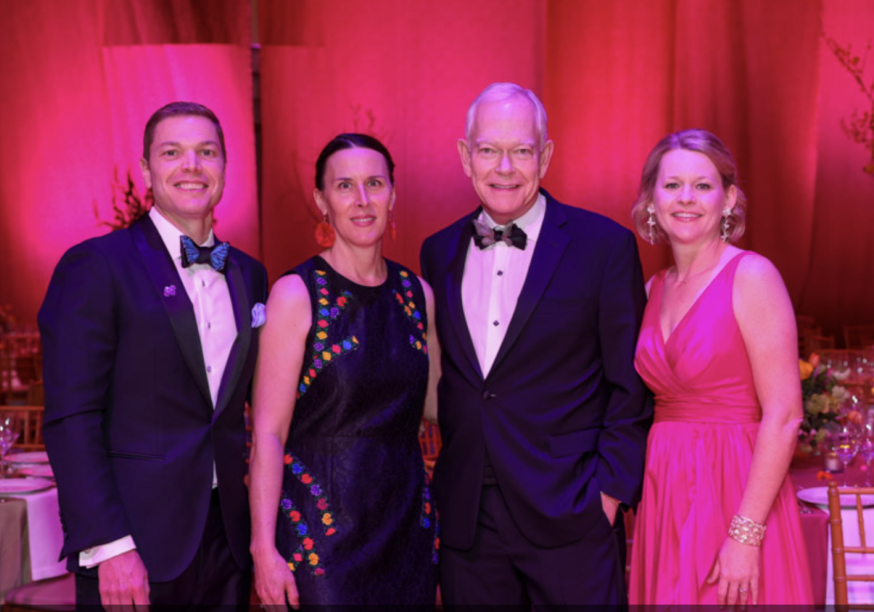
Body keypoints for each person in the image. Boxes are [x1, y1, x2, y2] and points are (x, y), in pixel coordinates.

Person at [419, 82, 652, 606]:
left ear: (544, 156)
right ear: (464, 156)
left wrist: (607, 495)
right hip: (468, 521)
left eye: (521, 150)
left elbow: (630, 387)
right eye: (488, 150)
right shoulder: (438, 251)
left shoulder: (604, 247)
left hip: (571, 512)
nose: (504, 167)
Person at [39, 101, 267, 608]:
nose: (191, 165)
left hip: (227, 540)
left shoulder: (249, 275)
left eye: (206, 152)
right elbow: (71, 419)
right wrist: (111, 547)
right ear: (146, 170)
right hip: (135, 543)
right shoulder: (96, 266)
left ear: (224, 168)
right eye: (172, 152)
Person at [249, 133, 440, 608]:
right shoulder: (295, 295)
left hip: (407, 532)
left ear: (393, 194)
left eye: (374, 183)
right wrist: (263, 549)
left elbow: (440, 405)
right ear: (322, 200)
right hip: (321, 544)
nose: (361, 200)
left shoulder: (418, 294)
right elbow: (269, 433)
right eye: (344, 186)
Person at [627, 129, 812, 606]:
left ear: (729, 198)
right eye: (671, 185)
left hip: (736, 489)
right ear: (652, 198)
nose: (686, 198)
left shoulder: (751, 276)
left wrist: (746, 534)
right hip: (665, 492)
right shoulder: (651, 289)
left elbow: (785, 415)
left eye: (703, 186)